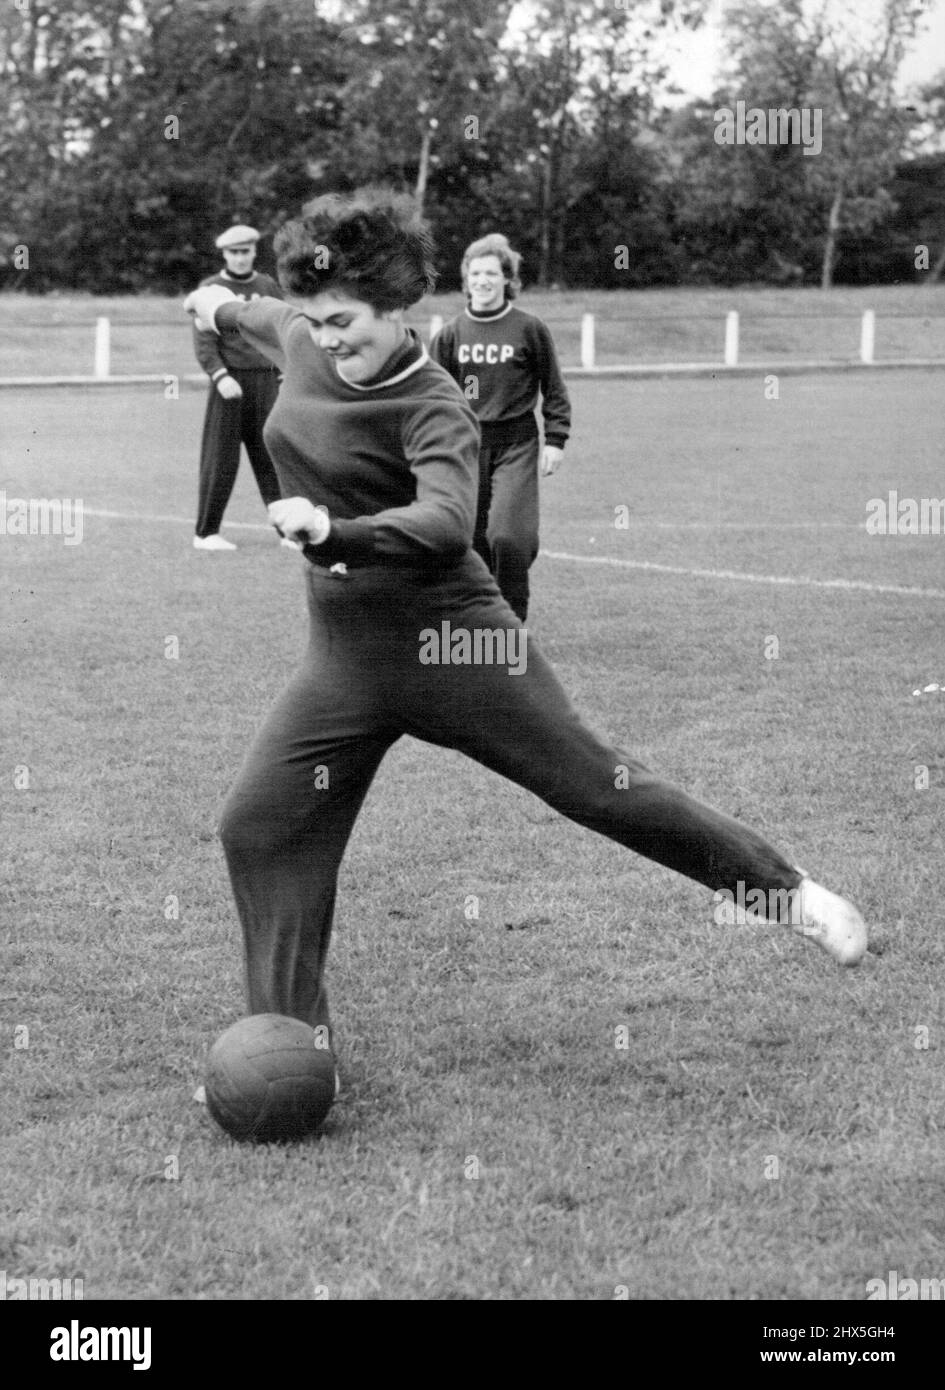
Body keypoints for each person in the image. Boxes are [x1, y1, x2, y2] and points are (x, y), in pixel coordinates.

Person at [184, 189, 867, 1095]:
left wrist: (332, 531)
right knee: (260, 826)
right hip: (344, 663)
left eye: (343, 319)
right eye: (312, 317)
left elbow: (440, 521)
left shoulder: (432, 402)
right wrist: (212, 305)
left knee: (597, 785)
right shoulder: (300, 331)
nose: (325, 335)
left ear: (399, 310)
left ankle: (787, 893)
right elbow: (236, 310)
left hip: (455, 647)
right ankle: (292, 1049)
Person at [430, 233, 570, 620]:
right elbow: (431, 397)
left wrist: (556, 439)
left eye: (492, 273)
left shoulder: (529, 328)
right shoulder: (450, 335)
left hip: (517, 443)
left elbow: (553, 387)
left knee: (509, 537)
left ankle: (512, 621)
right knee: (469, 542)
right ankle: (480, 619)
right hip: (468, 447)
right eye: (476, 273)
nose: (483, 281)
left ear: (508, 279)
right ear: (466, 279)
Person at [191, 223, 289, 551]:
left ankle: (287, 531)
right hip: (230, 383)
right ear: (225, 254)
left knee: (273, 456)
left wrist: (284, 370)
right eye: (234, 252)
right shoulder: (211, 287)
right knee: (221, 460)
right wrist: (220, 376)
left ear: (253, 252)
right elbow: (204, 341)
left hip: (266, 381)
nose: (240, 258)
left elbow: (280, 331)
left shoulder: (267, 286)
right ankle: (206, 533)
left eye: (245, 251)